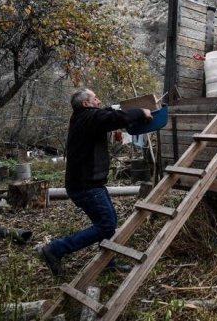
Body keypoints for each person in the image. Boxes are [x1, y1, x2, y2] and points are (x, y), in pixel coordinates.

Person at [37, 88, 152, 276]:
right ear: (86, 104)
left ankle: (107, 263)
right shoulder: (90, 117)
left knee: (108, 221)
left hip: (88, 184)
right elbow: (113, 119)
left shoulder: (83, 117)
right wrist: (141, 112)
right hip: (86, 186)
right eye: (95, 98)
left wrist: (116, 108)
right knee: (106, 225)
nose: (98, 101)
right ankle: (55, 249)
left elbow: (106, 113)